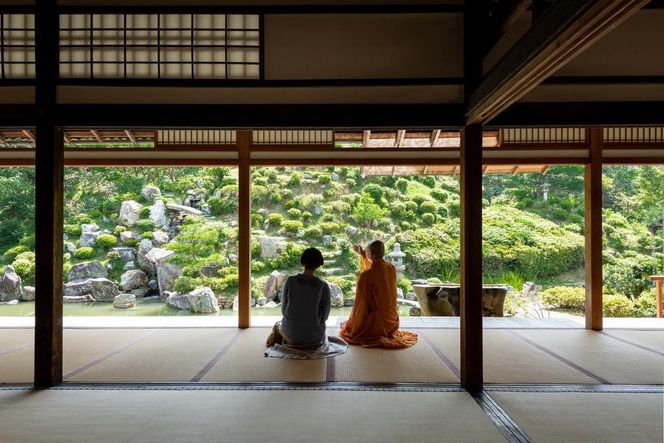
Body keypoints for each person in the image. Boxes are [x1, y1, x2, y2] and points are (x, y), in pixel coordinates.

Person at [265, 247, 347, 359]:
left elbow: (284, 310)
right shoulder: (322, 285)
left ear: (303, 262)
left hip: (291, 334)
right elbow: (325, 316)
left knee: (278, 326)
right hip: (314, 338)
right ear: (319, 264)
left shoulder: (290, 281)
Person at [339, 240, 418, 349]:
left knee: (355, 323)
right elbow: (376, 271)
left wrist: (355, 323)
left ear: (371, 254)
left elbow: (361, 304)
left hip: (377, 324)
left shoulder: (366, 276)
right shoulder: (391, 268)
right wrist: (363, 255)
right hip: (391, 322)